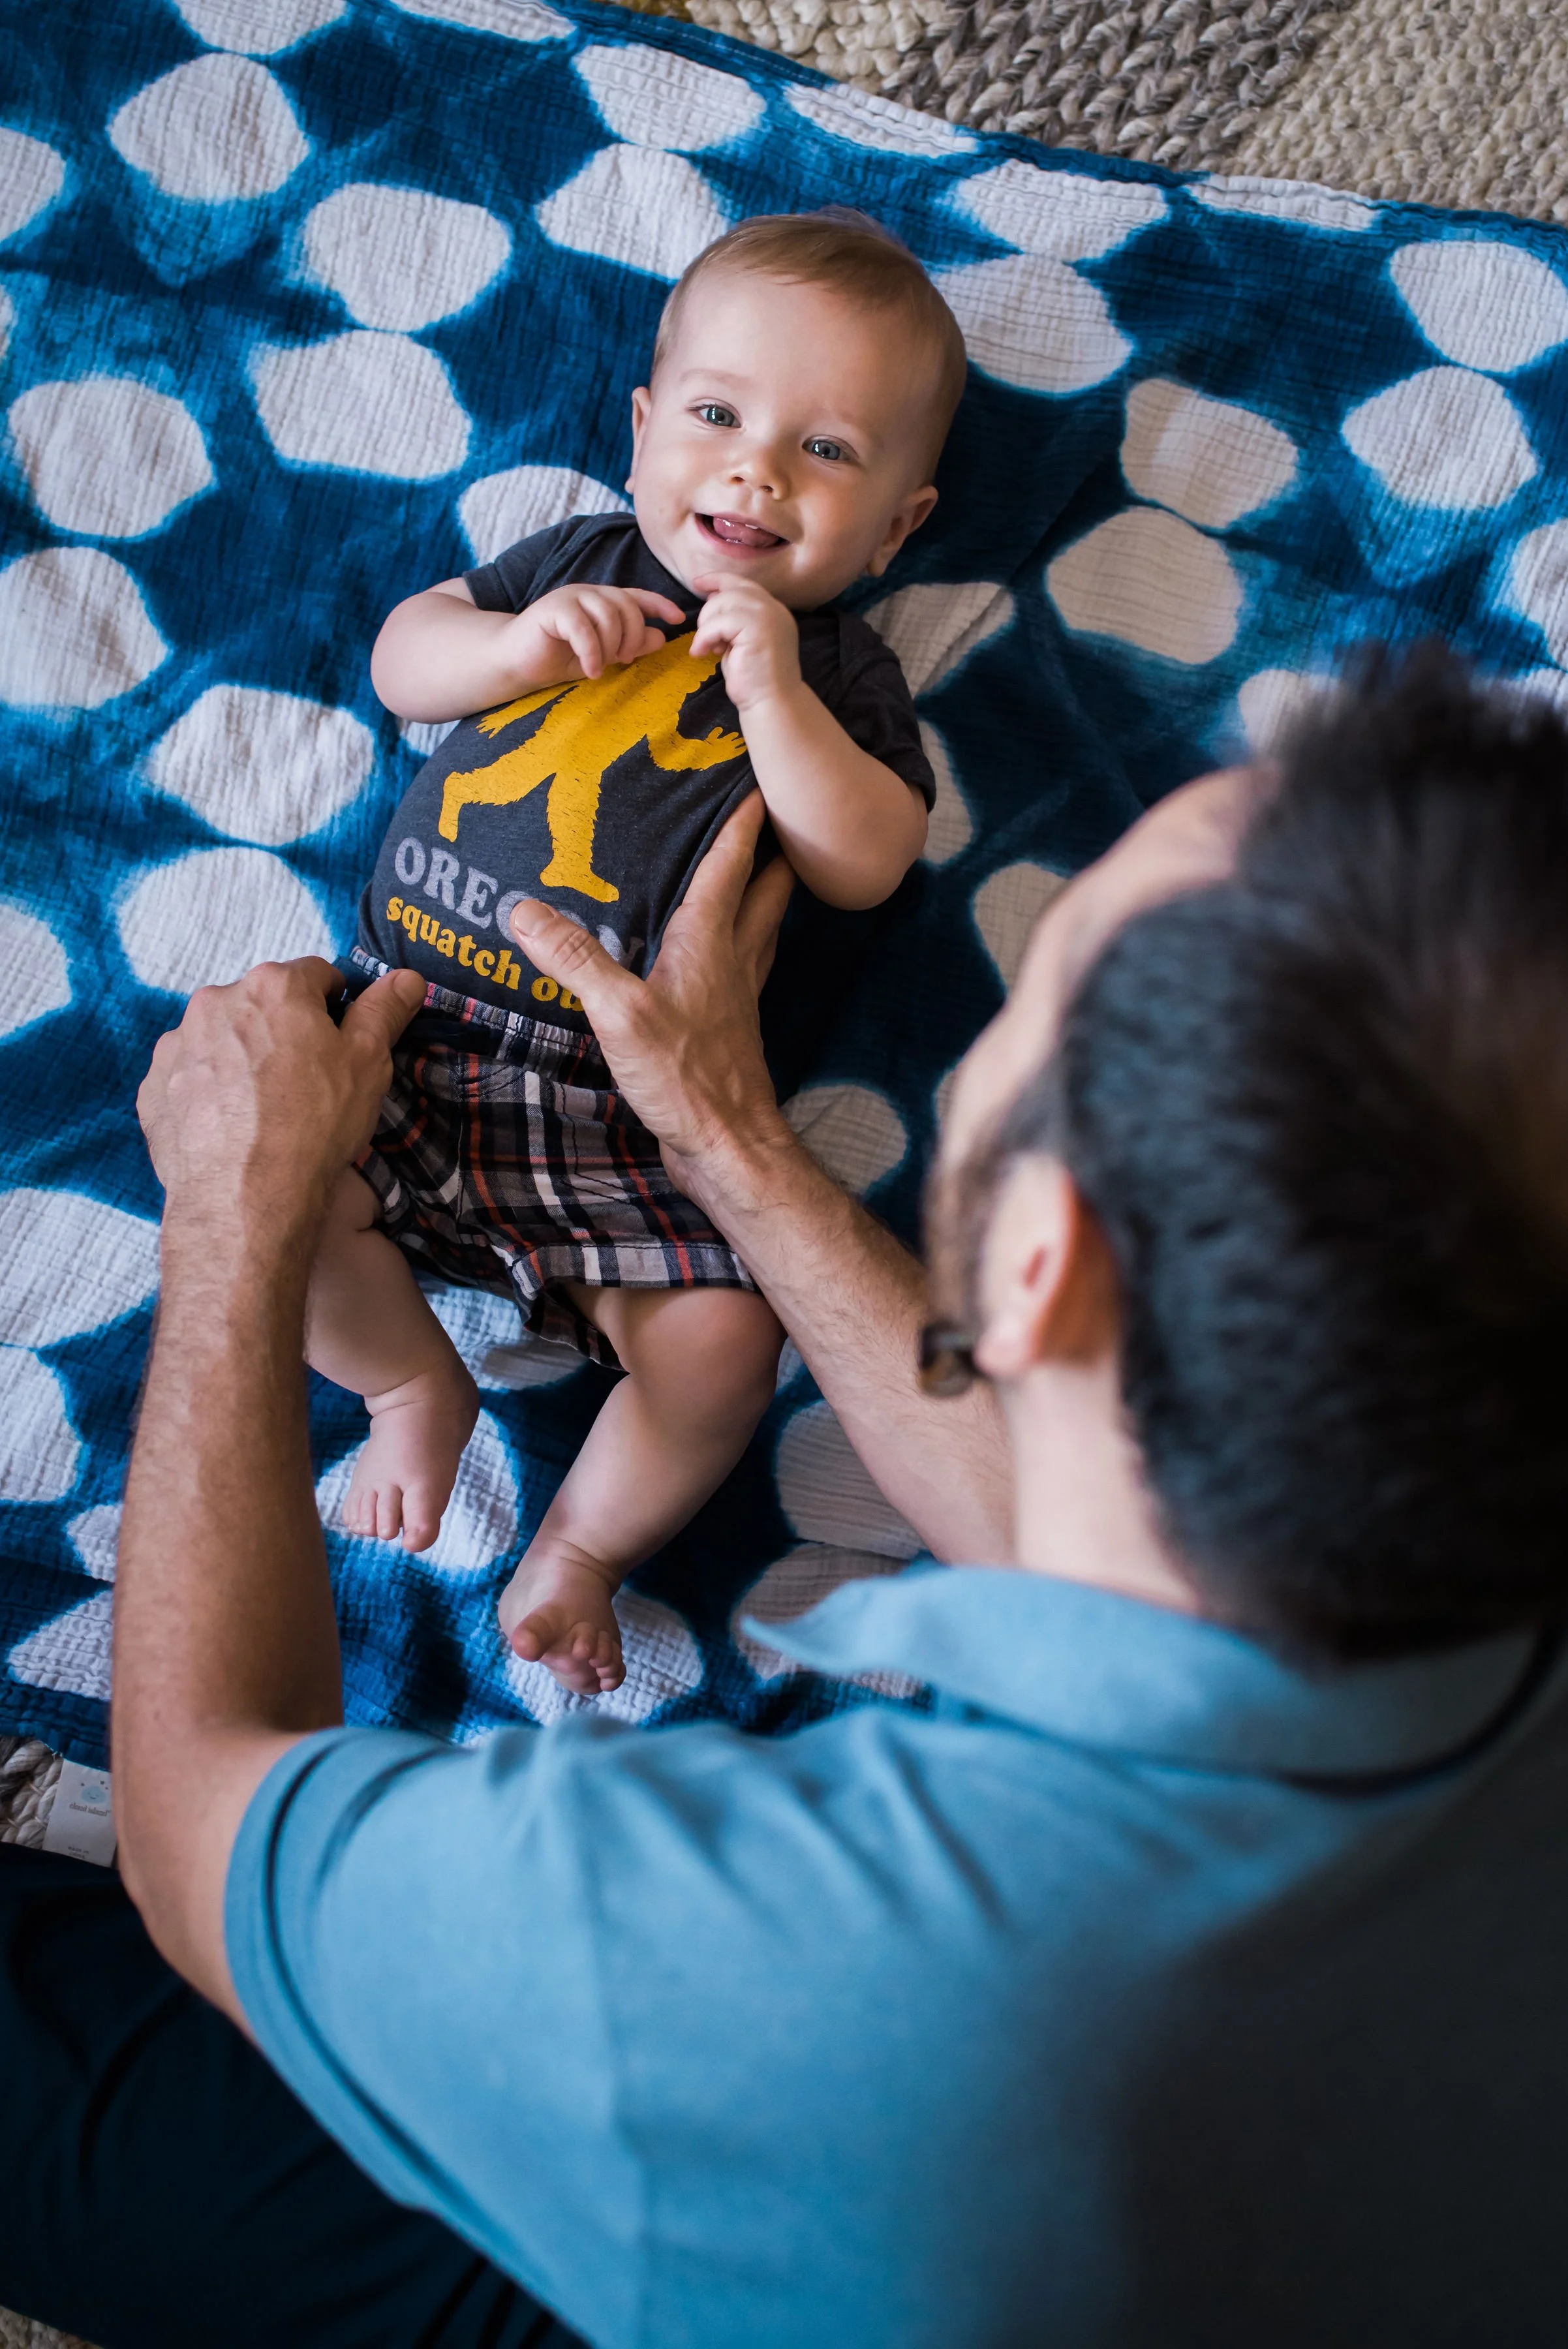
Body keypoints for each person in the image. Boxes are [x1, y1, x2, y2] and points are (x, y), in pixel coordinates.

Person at [8, 649, 1568, 2348]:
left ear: (1039, 1265)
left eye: (1039, 987)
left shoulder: (793, 1967)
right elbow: (1125, 1516)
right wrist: (725, 1135)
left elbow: (197, 1825)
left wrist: (234, 1223)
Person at [308, 207, 964, 1698]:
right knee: (267, 1193)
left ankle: (582, 1552)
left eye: (828, 452)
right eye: (721, 418)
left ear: (898, 528)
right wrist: (518, 646)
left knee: (723, 1344)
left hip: (628, 1116)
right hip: (400, 1036)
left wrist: (780, 697)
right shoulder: (575, 561)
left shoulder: (843, 674)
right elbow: (403, 656)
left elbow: (869, 857)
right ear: (643, 423)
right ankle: (413, 1385)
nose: (757, 471)